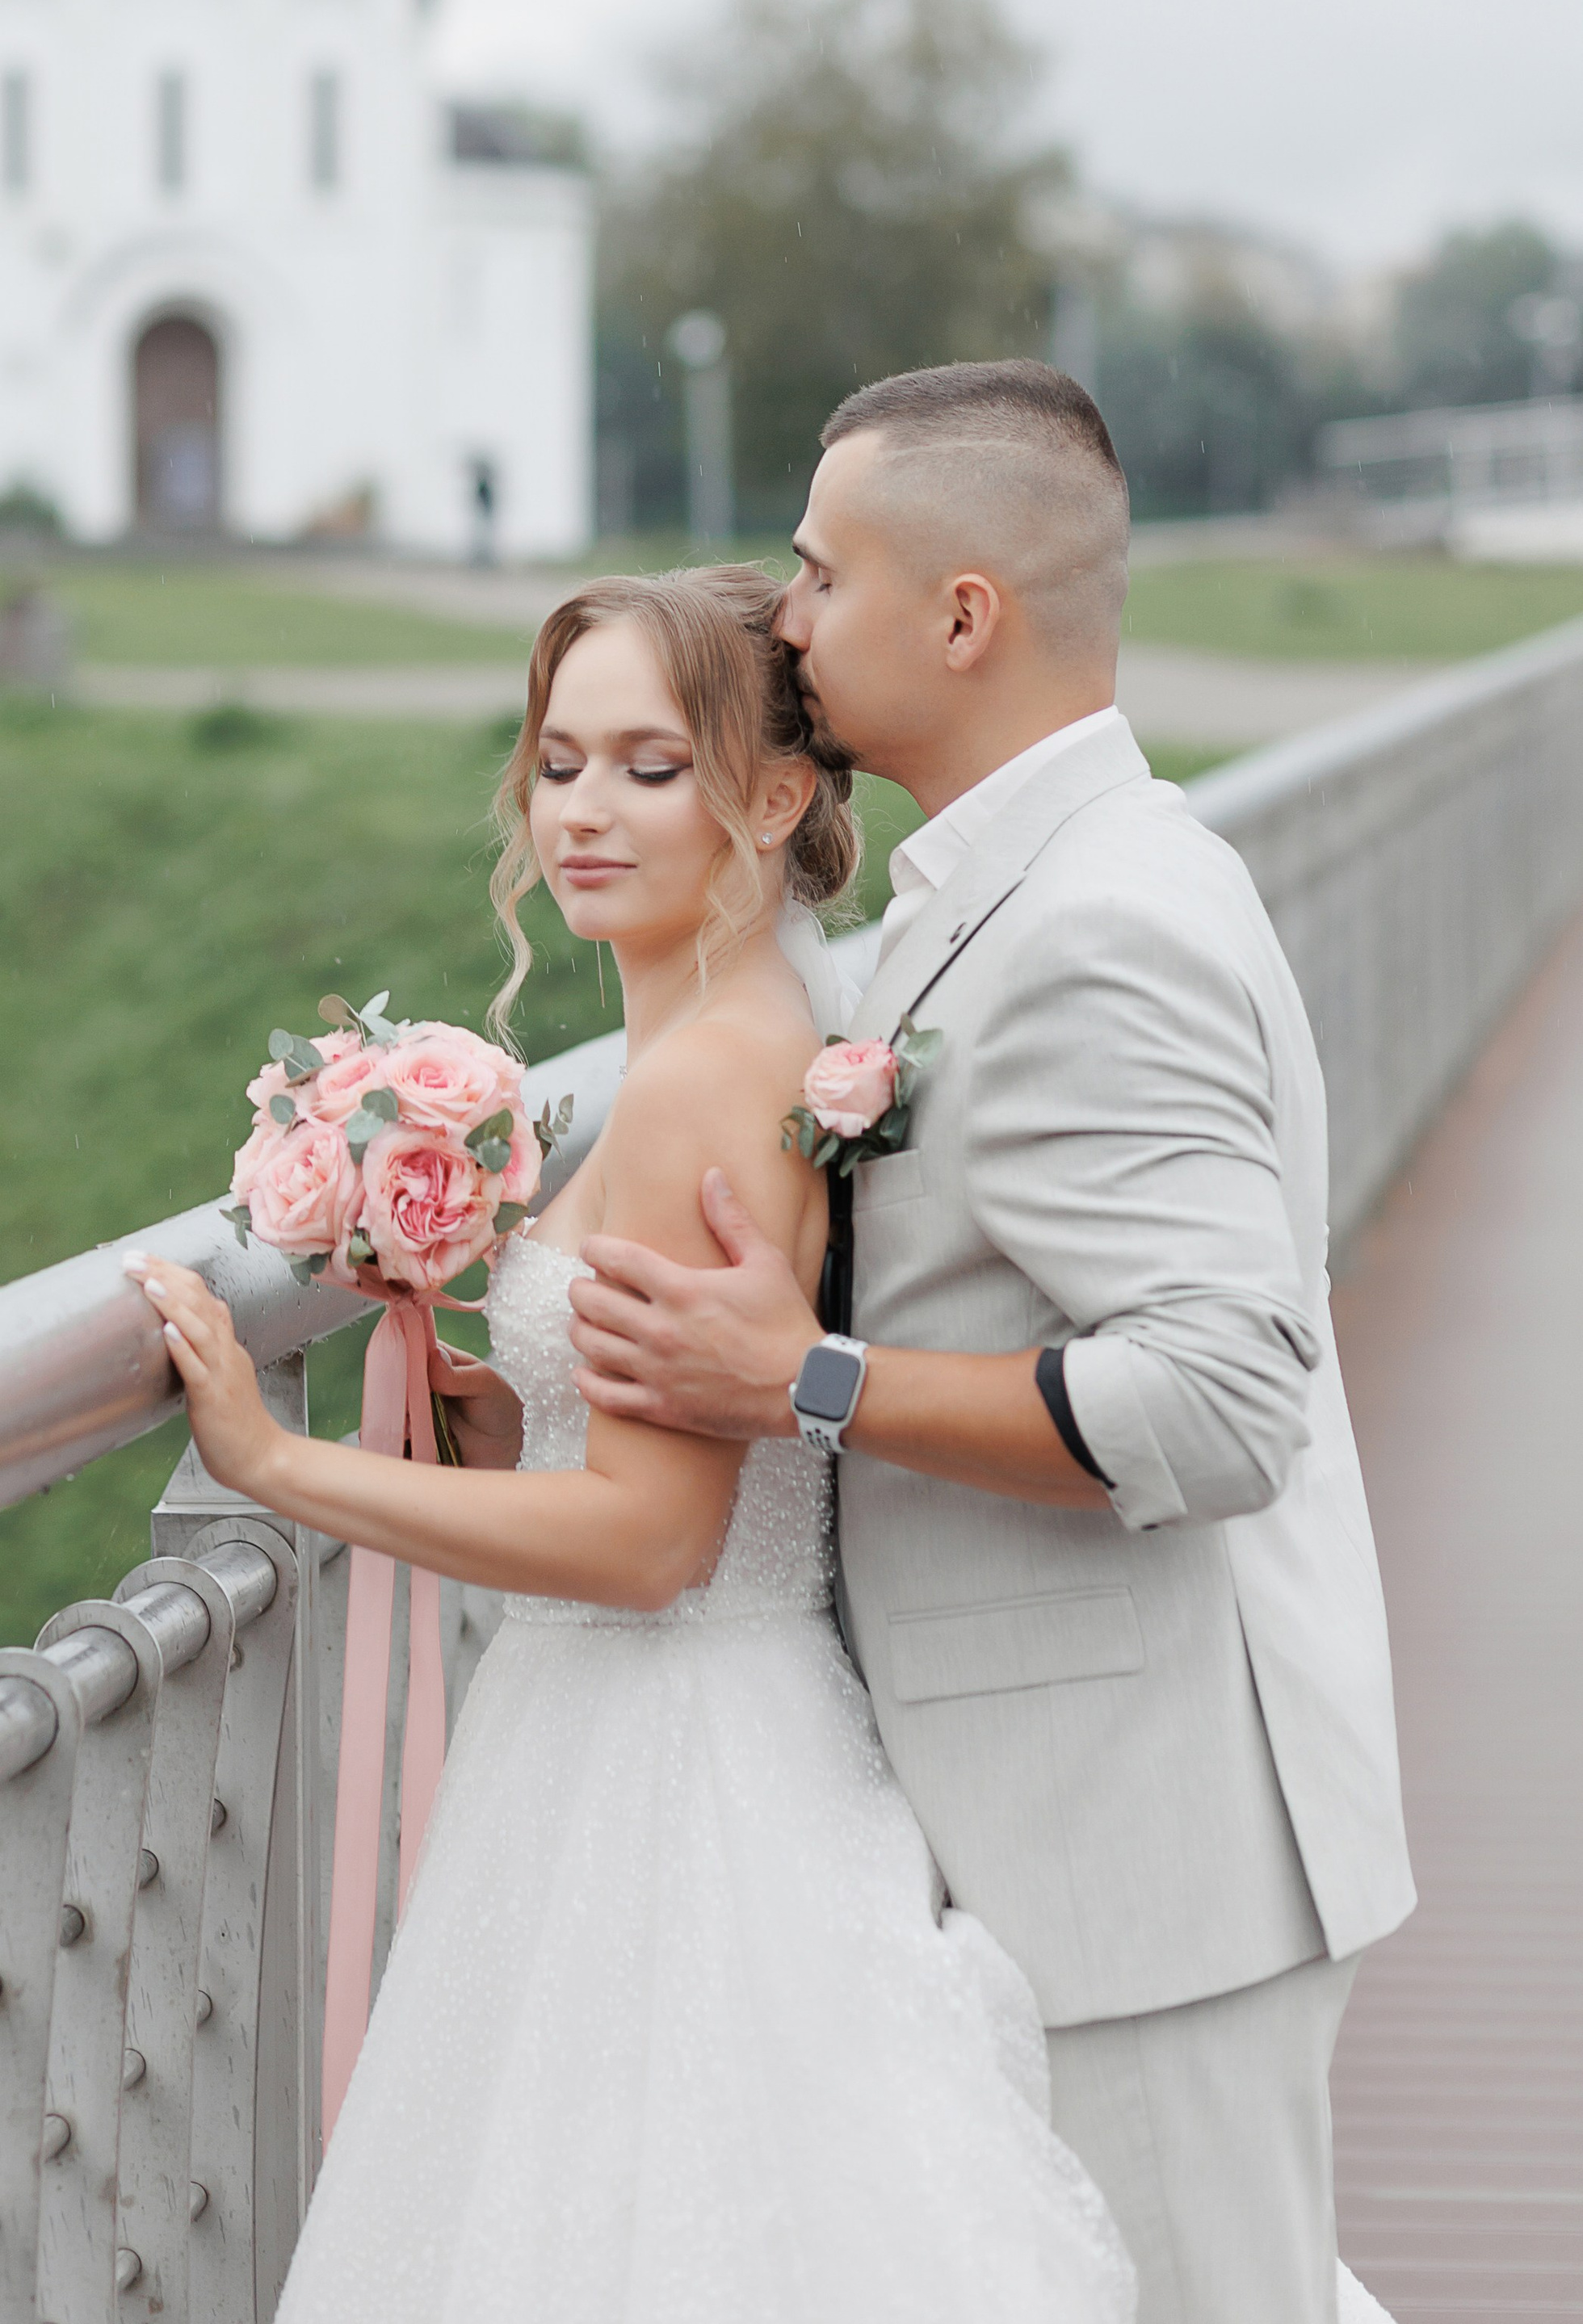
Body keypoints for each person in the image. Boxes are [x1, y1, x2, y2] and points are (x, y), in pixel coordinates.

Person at [131, 564, 1136, 2323]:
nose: (582, 811)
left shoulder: (695, 1078)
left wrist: (281, 1469)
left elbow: (654, 1544)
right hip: (657, 1726)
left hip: (667, 1754)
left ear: (770, 795)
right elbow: (677, 1447)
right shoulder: (734, 1029)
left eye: (648, 768)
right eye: (557, 760)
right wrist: (515, 1412)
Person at [565, 363, 1412, 2324]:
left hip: (1155, 1858)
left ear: (959, 618)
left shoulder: (1101, 926)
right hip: (1070, 1825)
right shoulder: (1016, 885)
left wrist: (800, 1381)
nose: (782, 617)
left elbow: (1216, 1401)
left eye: (814, 569)